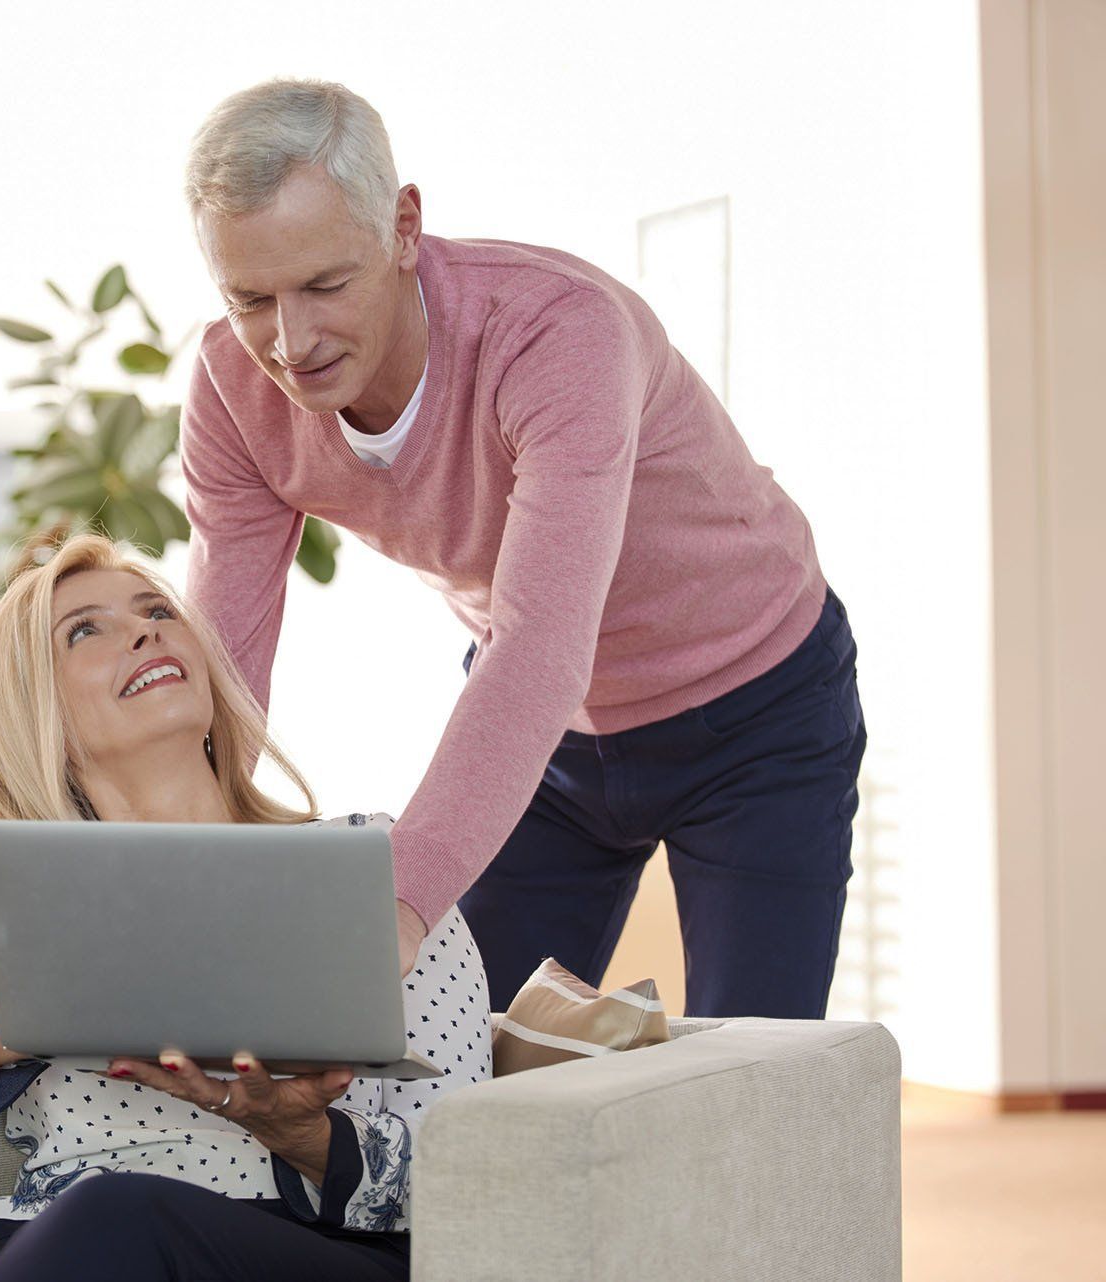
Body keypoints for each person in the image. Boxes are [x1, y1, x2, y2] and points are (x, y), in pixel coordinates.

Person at [177, 77, 866, 1018]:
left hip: (754, 709)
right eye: (250, 298)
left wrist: (398, 902)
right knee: (463, 1062)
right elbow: (224, 667)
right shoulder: (231, 391)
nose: (291, 342)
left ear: (403, 227)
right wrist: (160, 872)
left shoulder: (558, 332)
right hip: (557, 744)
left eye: (326, 285)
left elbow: (542, 642)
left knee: (752, 1072)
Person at [0, 533, 492, 1282]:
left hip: (317, 1250)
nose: (147, 629)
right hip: (66, 1241)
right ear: (38, 717)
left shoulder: (379, 870)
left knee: (118, 1217)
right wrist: (33, 1023)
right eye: (86, 629)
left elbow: (473, 1177)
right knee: (96, 1223)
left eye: (157, 610)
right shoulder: (17, 908)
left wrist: (302, 1132)